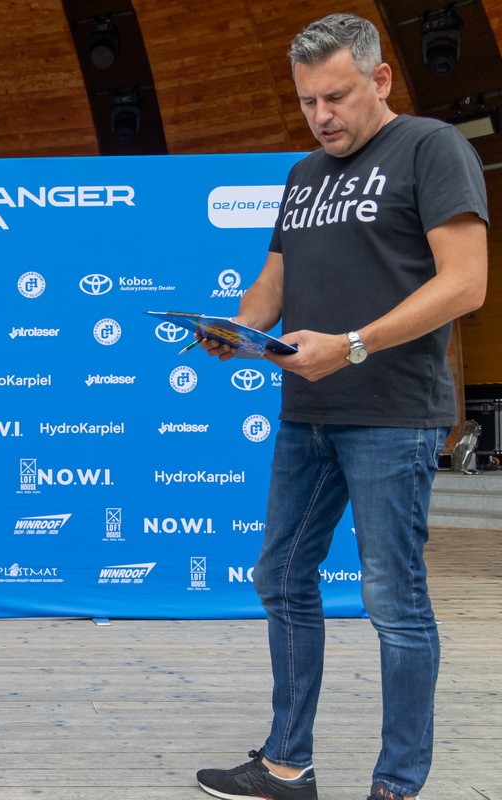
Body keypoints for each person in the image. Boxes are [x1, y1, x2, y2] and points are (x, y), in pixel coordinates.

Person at [195, 13, 488, 800]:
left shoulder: (431, 147)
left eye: (336, 96)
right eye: (307, 101)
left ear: (380, 79)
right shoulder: (303, 175)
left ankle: (396, 785)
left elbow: (466, 283)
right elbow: (275, 281)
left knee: (394, 600)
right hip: (305, 415)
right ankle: (287, 765)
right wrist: (239, 329)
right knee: (280, 577)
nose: (321, 115)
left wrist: (353, 345)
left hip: (393, 416)